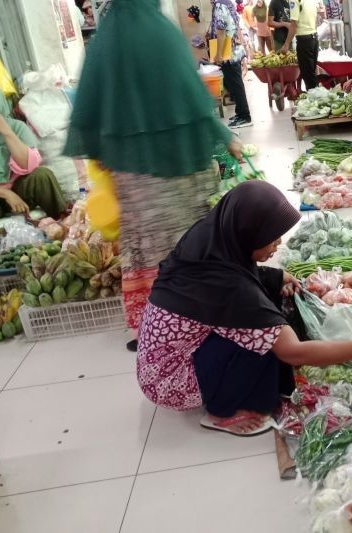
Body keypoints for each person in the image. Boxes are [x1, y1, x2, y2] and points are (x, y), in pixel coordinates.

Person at [137, 181, 352, 436]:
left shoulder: (214, 235)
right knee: (264, 342)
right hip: (169, 380)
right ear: (248, 234)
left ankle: (224, 386)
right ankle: (220, 411)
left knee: (265, 311)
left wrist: (275, 276)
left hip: (162, 357)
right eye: (271, 237)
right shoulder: (231, 289)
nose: (278, 243)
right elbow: (294, 352)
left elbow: (237, 273)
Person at [64, 0, 242, 352]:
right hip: (176, 167)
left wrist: (107, 155)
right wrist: (225, 137)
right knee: (185, 244)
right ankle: (193, 322)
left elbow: (89, 102)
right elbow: (191, 98)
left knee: (143, 248)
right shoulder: (162, 34)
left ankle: (153, 327)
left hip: (132, 173)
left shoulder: (106, 38)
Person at [0, 88, 67, 219]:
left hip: (20, 188)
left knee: (42, 175)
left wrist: (7, 132)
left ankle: (62, 222)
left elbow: (29, 166)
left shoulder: (16, 127)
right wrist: (6, 194)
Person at [208, 0, 253, 129]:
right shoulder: (228, 3)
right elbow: (235, 26)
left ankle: (245, 116)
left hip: (229, 53)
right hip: (234, 50)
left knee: (235, 85)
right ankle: (240, 113)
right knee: (234, 84)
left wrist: (218, 54)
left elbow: (221, 31)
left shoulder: (219, 5)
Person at [284, 0, 320, 90]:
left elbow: (294, 25)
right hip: (314, 38)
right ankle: (318, 98)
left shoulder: (294, 1)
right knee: (311, 74)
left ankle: (316, 100)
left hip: (305, 41)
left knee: (308, 75)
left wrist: (286, 44)